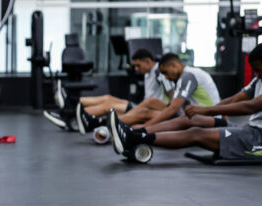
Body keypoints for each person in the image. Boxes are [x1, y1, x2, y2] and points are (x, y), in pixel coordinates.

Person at [108, 44, 262, 161]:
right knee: (189, 119)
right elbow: (236, 99)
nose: (256, 74)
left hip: (257, 139)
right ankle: (134, 134)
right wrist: (210, 110)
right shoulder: (258, 79)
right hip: (249, 130)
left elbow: (252, 106)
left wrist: (207, 111)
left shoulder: (188, 75)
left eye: (258, 69)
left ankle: (133, 136)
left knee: (195, 133)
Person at [46, 48, 174, 133]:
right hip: (142, 105)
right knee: (107, 97)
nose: (136, 69)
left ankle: (69, 117)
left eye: (138, 65)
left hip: (147, 109)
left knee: (108, 105)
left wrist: (168, 109)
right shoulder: (148, 73)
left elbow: (172, 98)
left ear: (148, 61)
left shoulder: (160, 71)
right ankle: (70, 101)